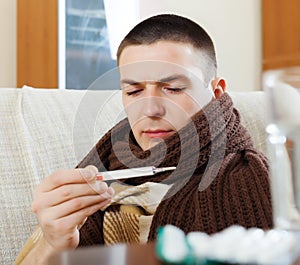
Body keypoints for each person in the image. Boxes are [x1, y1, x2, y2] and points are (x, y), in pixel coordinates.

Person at [15, 14, 273, 265]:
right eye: (134, 91)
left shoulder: (248, 178)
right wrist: (52, 242)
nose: (150, 110)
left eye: (173, 89)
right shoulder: (102, 166)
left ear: (216, 92)